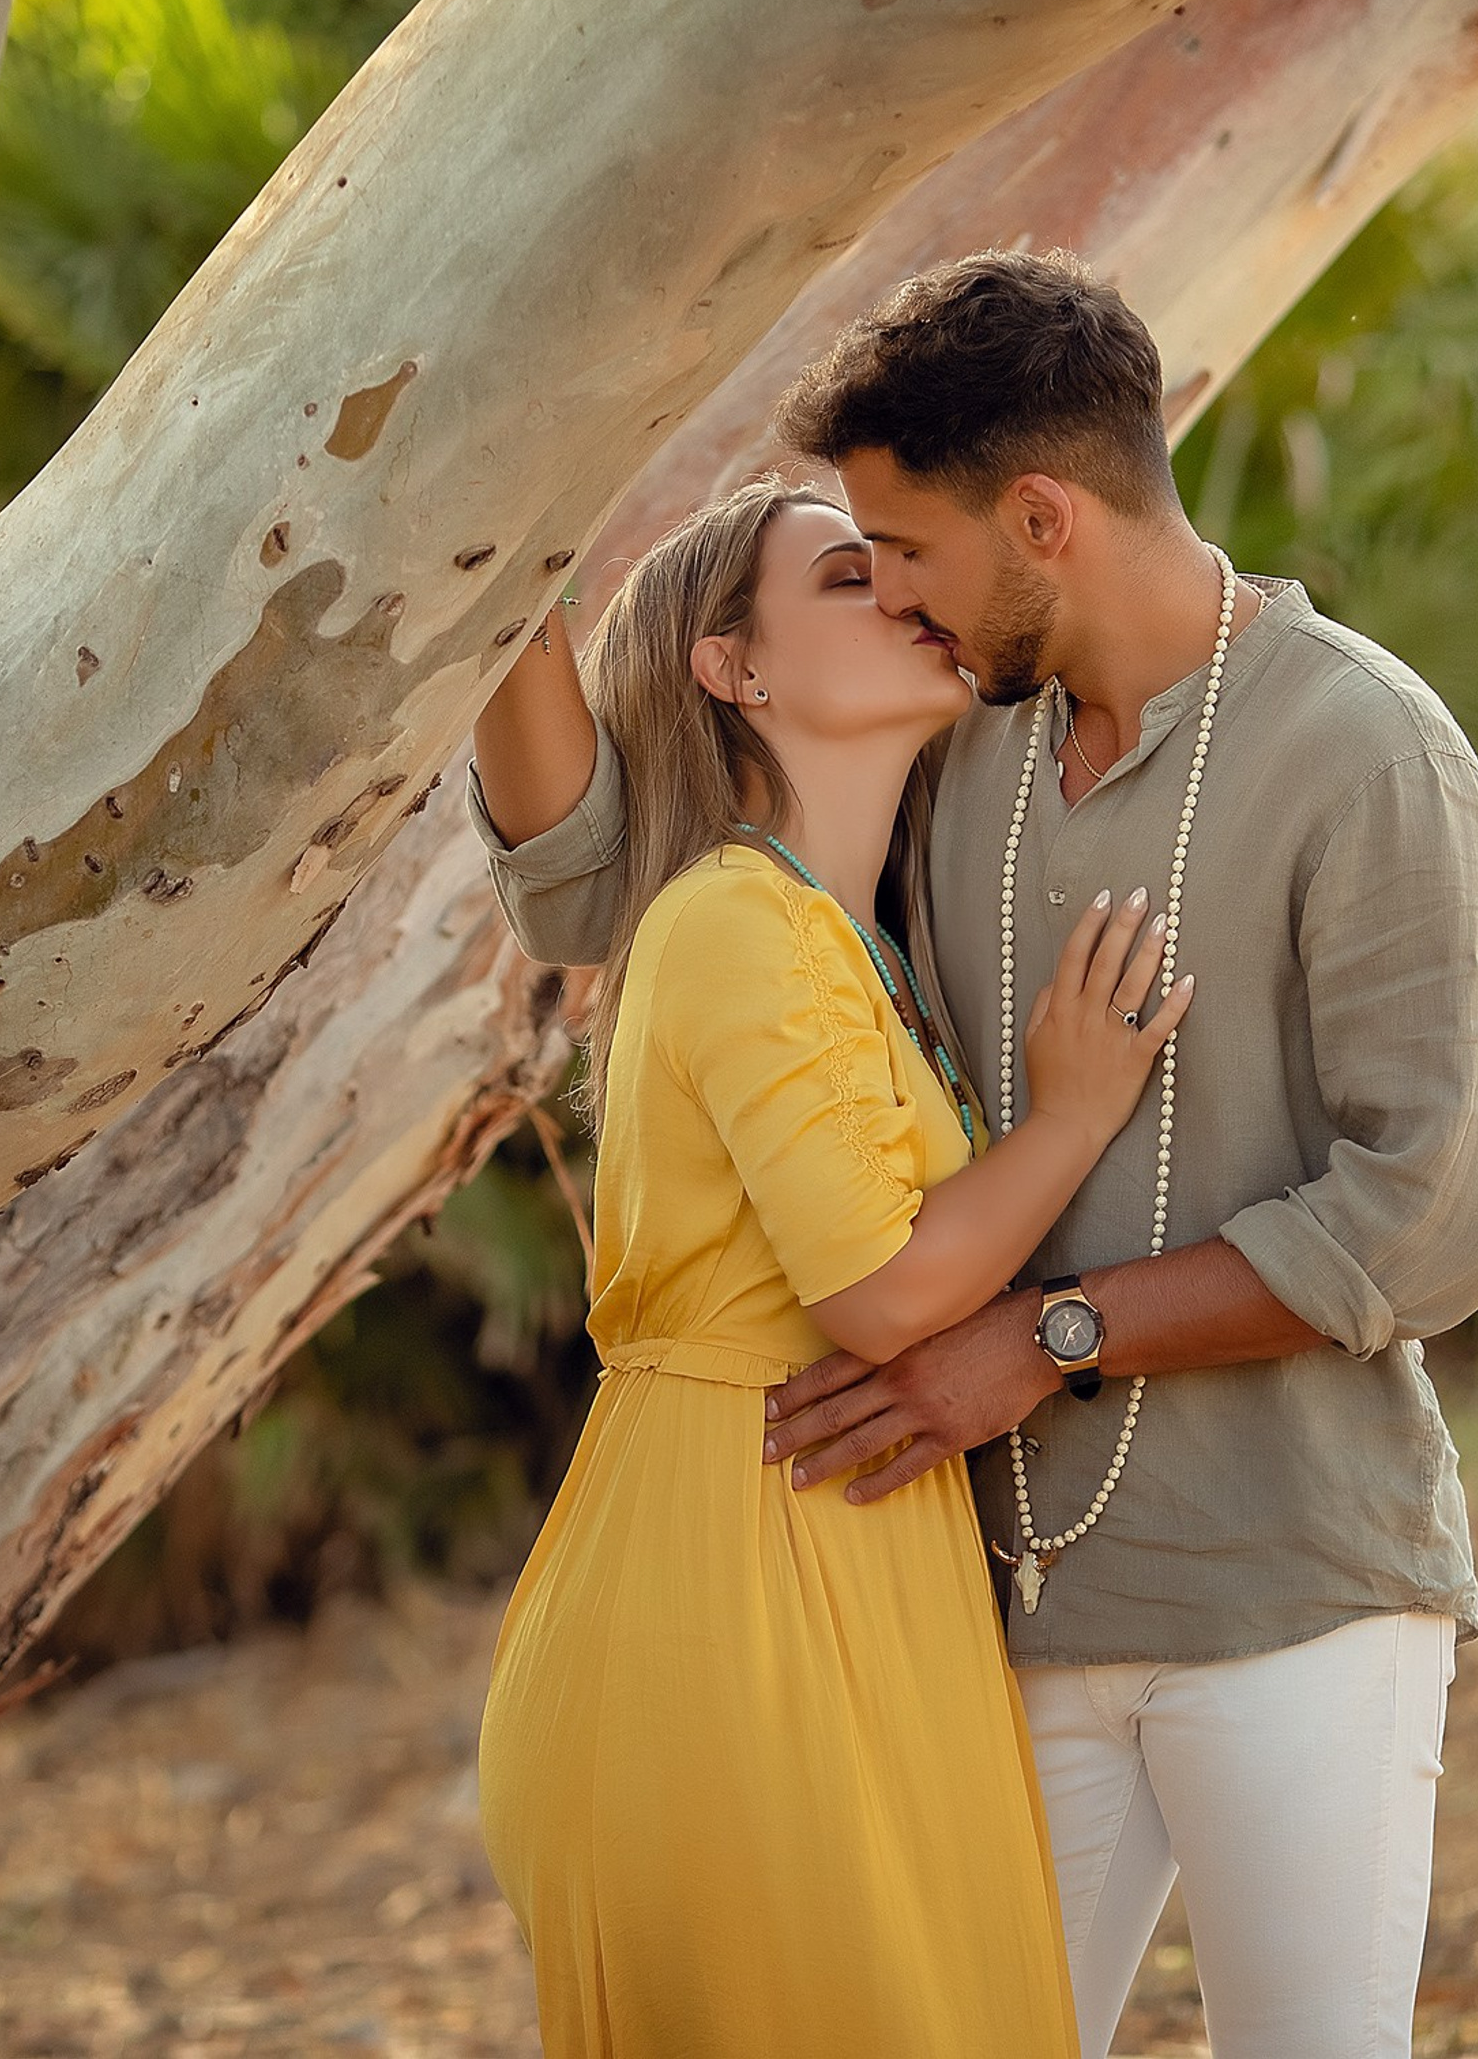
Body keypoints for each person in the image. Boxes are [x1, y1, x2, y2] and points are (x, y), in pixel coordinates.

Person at [471, 252, 1478, 2059]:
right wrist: (488, 531)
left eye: (904, 552)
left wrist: (1047, 1338)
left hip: (1293, 1592)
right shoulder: (957, 747)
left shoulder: (1364, 749)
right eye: (861, 565)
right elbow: (609, 875)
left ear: (1041, 520)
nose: (892, 593)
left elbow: (1434, 1218)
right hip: (989, 1611)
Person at [475, 471, 1191, 2057]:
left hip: (844, 1560)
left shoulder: (851, 936)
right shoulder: (741, 918)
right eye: (849, 579)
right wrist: (1074, 1114)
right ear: (734, 668)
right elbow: (878, 1293)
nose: (905, 595)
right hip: (727, 1592)